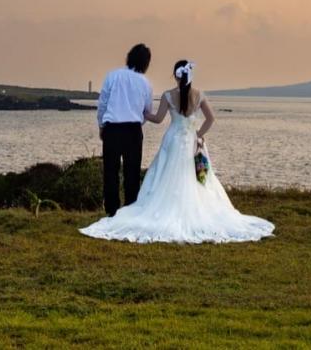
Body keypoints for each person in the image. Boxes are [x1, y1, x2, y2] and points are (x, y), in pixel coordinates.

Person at [81, 60, 274, 244]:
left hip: (173, 140)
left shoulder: (167, 95)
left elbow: (157, 118)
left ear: (175, 76)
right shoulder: (199, 95)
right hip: (192, 141)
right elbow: (210, 119)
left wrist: (143, 113)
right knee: (197, 178)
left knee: (166, 175)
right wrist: (198, 134)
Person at [95, 43, 158, 217]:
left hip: (113, 128)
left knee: (111, 171)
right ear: (146, 63)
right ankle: (131, 209)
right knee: (132, 172)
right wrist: (138, 124)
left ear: (129, 57)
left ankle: (112, 210)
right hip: (133, 130)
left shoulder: (112, 76)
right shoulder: (146, 83)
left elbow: (103, 104)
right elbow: (147, 111)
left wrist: (102, 125)